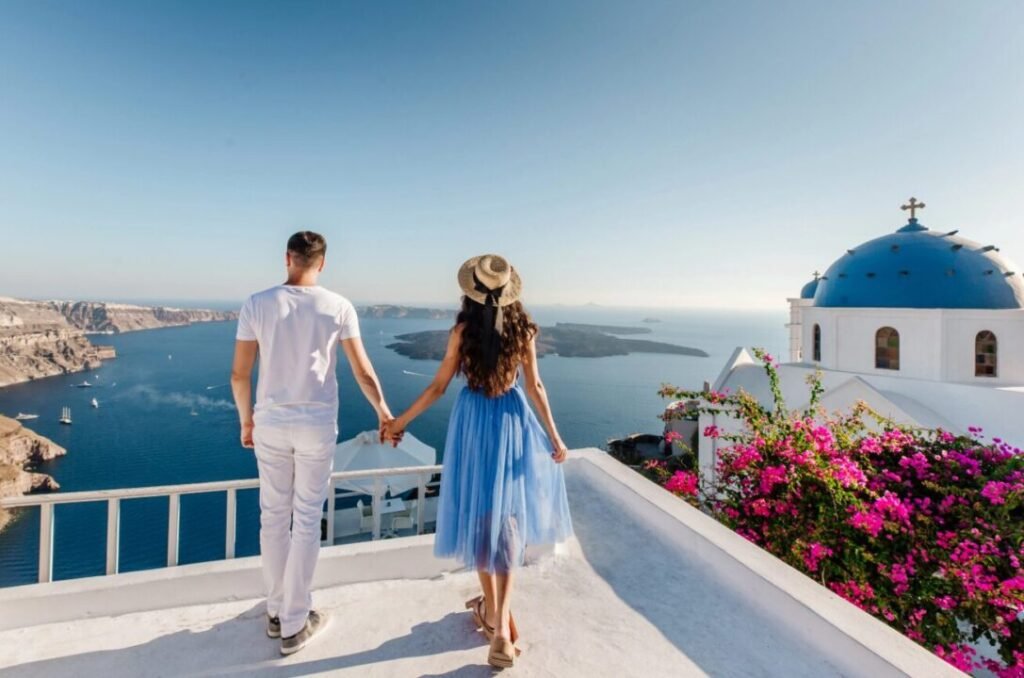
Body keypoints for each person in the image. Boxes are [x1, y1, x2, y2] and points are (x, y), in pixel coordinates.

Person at [382, 254, 573, 669]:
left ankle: (493, 615)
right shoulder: (525, 331)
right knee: (506, 522)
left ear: (470, 291)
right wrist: (555, 437)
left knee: (481, 518)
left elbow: (436, 387)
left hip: (473, 424)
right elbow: (536, 385)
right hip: (511, 422)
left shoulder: (462, 331)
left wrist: (399, 422)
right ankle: (500, 628)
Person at [231, 231, 394, 656]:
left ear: (287, 258)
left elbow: (239, 374)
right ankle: (295, 622)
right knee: (305, 520)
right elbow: (362, 371)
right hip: (316, 426)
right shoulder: (338, 307)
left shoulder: (256, 304)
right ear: (322, 263)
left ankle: (275, 612)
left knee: (272, 517)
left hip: (269, 423)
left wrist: (246, 420)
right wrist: (383, 412)